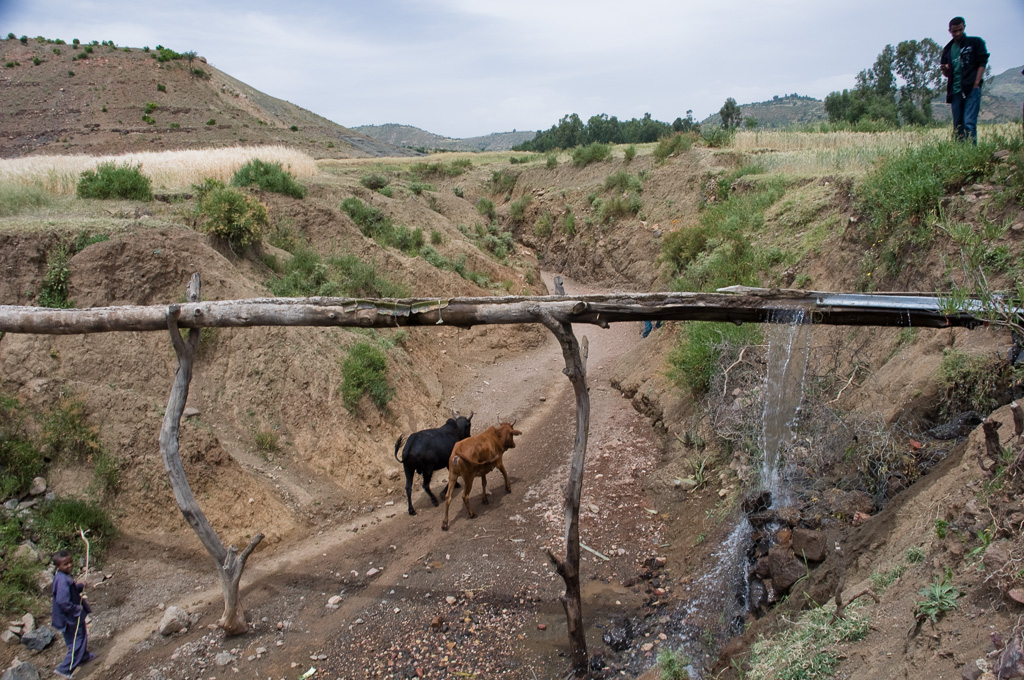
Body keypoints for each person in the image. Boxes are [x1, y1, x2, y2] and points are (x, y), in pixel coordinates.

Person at [940, 16, 989, 144]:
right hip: (955, 90)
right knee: (958, 126)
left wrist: (976, 83)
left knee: (969, 123)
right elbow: (947, 73)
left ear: (964, 28)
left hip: (971, 88)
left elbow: (982, 62)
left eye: (960, 30)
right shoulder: (948, 50)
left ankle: (972, 153)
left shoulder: (975, 43)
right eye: (954, 31)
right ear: (949, 31)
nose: (957, 33)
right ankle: (959, 154)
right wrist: (945, 70)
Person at [51, 551, 95, 678]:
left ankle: (83, 657)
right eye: (65, 564)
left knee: (77, 638)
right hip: (70, 617)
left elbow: (70, 591)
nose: (69, 565)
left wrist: (80, 586)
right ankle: (65, 669)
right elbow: (63, 601)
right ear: (57, 566)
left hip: (68, 617)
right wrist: (76, 608)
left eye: (70, 562)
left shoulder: (63, 576)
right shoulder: (62, 580)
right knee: (78, 640)